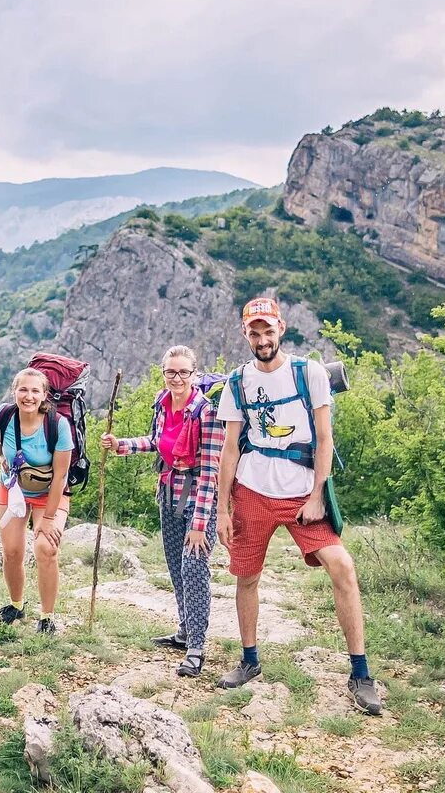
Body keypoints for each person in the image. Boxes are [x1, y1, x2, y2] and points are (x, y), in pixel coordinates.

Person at [214, 298, 382, 714]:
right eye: (254, 332)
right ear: (245, 334)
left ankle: (361, 673)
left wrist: (316, 495)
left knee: (341, 565)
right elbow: (230, 449)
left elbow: (325, 440)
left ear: (281, 328)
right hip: (251, 490)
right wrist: (221, 508)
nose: (262, 339)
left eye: (268, 330)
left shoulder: (309, 373)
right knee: (246, 577)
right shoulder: (237, 383)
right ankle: (249, 660)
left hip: (301, 491)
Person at [100, 346, 224, 677]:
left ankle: (197, 646)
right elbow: (157, 442)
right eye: (171, 372)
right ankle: (184, 630)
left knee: (194, 567)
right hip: (168, 491)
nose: (177, 378)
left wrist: (200, 524)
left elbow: (211, 470)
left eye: (184, 372)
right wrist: (121, 445)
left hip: (199, 497)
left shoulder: (206, 413)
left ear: (195, 374)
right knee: (175, 566)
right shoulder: (163, 404)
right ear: (163, 373)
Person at [0, 368, 74, 635]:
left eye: (35, 391)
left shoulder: (57, 426)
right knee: (11, 551)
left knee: (46, 548)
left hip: (49, 493)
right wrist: (0, 452)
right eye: (23, 390)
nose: (29, 396)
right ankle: (16, 605)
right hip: (12, 488)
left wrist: (46, 520)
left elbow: (60, 477)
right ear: (15, 391)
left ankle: (47, 617)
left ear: (45, 395)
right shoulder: (4, 415)